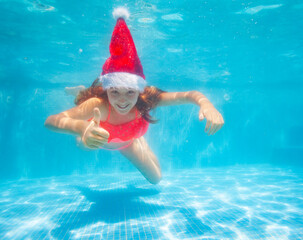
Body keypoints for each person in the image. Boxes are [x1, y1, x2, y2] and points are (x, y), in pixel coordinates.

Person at [45, 7, 224, 184]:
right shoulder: (97, 105)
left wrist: (206, 105)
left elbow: (189, 95)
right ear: (106, 90)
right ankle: (81, 93)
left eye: (130, 92)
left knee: (156, 179)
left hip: (128, 142)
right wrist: (82, 129)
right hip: (96, 139)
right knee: (84, 145)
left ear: (139, 91)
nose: (122, 100)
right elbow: (52, 121)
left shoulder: (146, 100)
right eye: (114, 91)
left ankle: (137, 136)